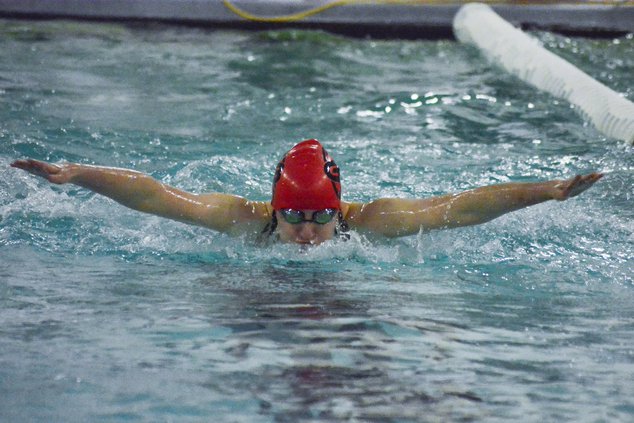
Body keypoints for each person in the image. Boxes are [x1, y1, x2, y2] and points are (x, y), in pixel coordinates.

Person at [11, 139, 603, 245]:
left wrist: (547, 191)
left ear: (338, 208)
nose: (305, 231)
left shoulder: (373, 222)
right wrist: (76, 175)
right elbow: (155, 197)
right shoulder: (242, 220)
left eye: (319, 217)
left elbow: (463, 207)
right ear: (273, 206)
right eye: (293, 215)